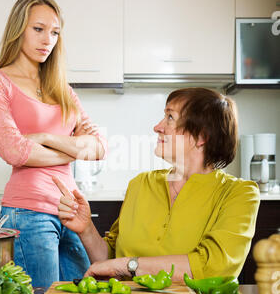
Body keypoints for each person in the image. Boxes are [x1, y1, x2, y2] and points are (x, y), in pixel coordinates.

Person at [53, 88, 260, 282]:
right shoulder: (141, 184)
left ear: (201, 136)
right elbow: (110, 260)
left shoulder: (239, 194)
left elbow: (212, 267)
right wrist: (86, 229)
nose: (157, 127)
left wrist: (130, 265)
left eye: (170, 117)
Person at [0, 0, 107, 287]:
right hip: (28, 213)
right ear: (18, 29)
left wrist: (45, 137)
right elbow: (15, 151)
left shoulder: (62, 89)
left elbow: (99, 145)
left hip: (70, 211)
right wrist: (72, 150)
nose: (47, 40)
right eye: (38, 29)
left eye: (54, 32)